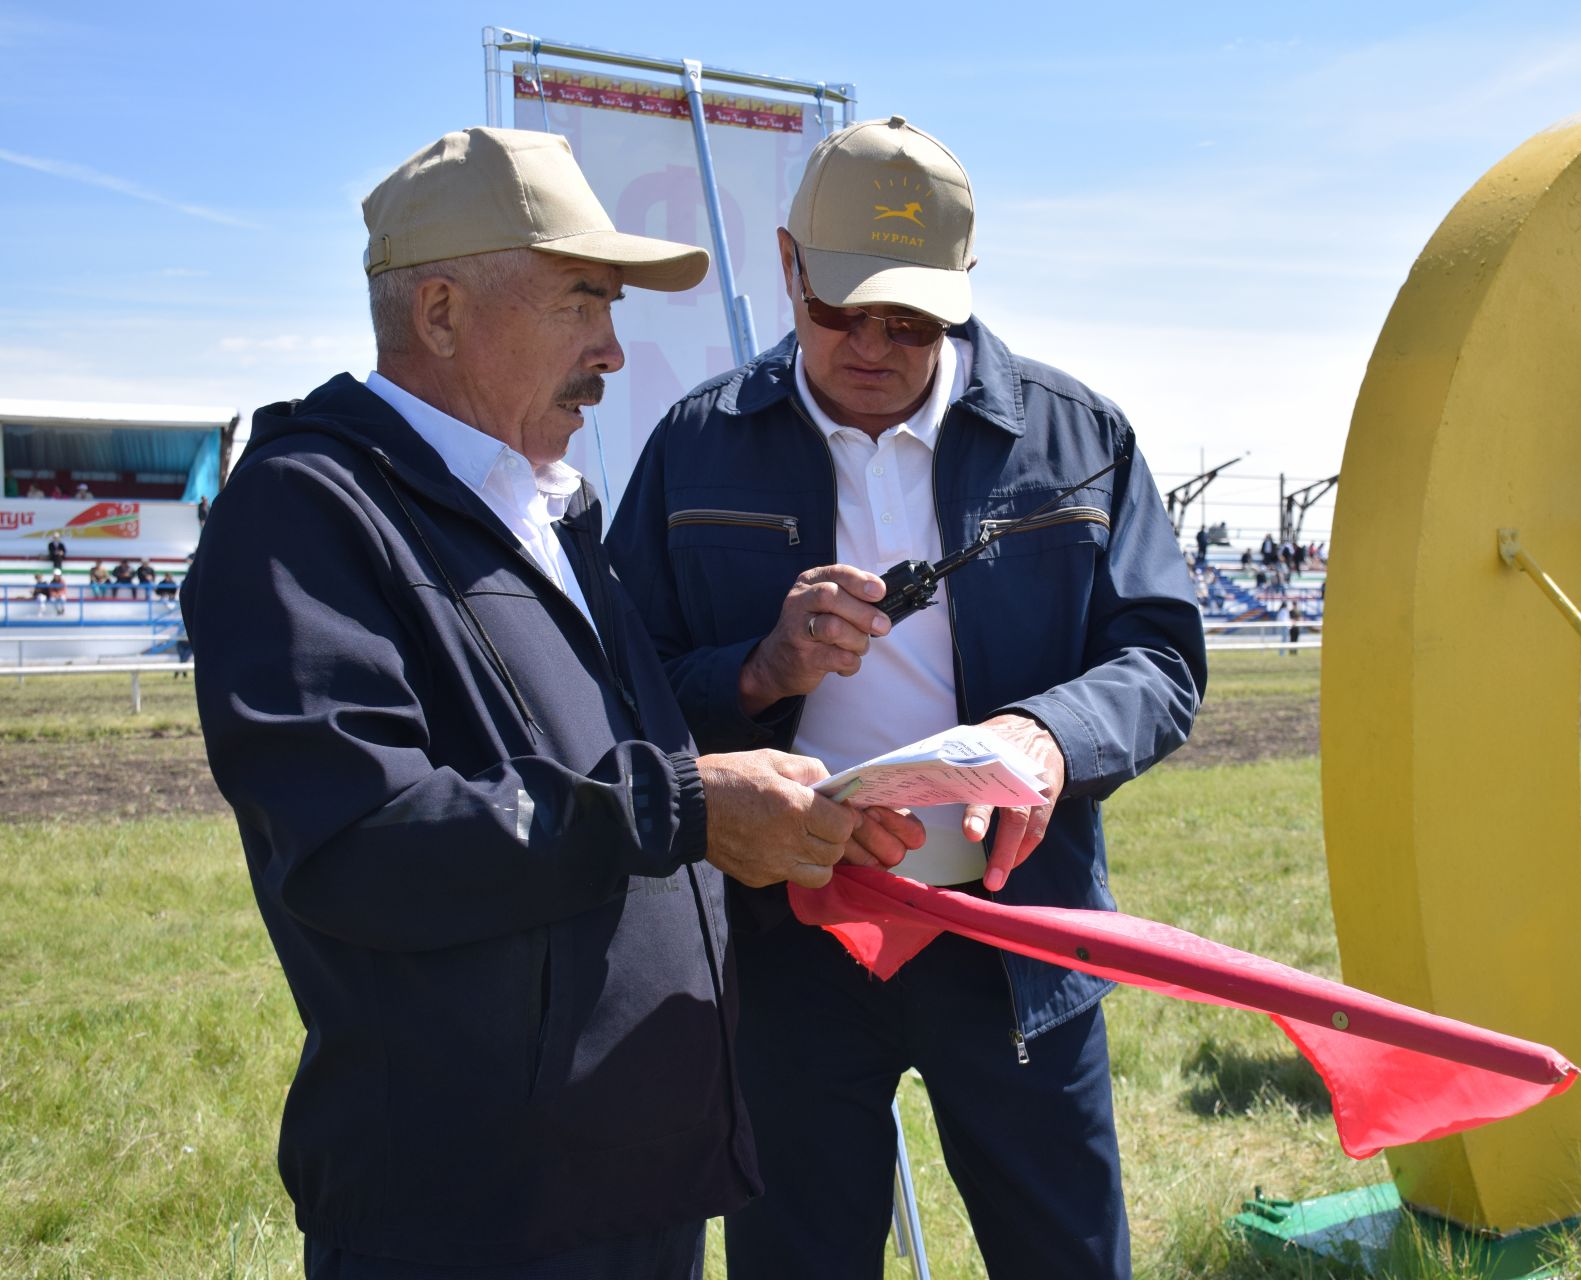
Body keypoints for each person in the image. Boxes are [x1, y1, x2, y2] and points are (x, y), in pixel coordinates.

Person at [183, 126, 880, 1278]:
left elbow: (594, 757)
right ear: (442, 312)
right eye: (579, 301)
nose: (613, 347)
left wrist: (773, 735)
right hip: (472, 1219)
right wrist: (688, 810)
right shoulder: (306, 516)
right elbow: (359, 842)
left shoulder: (539, 509)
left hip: (633, 1180)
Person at [608, 116, 1206, 1279]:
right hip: (790, 934)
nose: (874, 344)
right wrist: (758, 671)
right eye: (840, 309)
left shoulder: (1077, 438)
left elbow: (1162, 658)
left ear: (963, 290)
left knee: (1066, 1254)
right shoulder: (695, 447)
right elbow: (617, 689)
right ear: (787, 266)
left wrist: (1043, 736)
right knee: (797, 1256)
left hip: (1016, 931)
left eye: (912, 317)